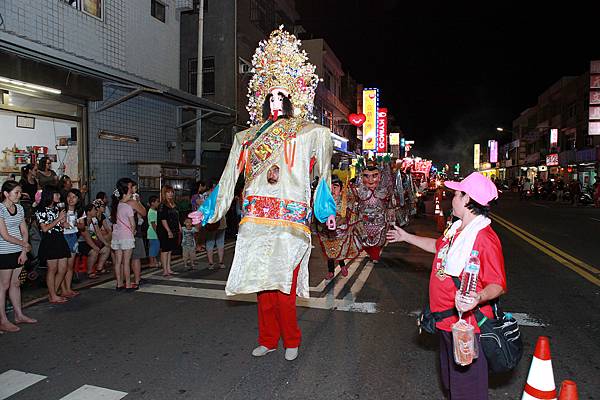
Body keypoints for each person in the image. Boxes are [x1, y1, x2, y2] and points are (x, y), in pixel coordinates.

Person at [189, 27, 336, 362]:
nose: (274, 101)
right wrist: (209, 210)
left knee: (285, 286)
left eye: (281, 96)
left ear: (292, 99)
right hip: (256, 221)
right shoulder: (247, 138)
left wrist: (325, 207)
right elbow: (229, 180)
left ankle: (292, 339)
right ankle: (268, 339)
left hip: (290, 222)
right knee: (263, 286)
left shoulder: (311, 133)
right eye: (269, 95)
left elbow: (323, 175)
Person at [387, 172, 506, 400]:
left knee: (467, 390)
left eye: (456, 194)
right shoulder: (457, 229)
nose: (452, 198)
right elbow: (437, 247)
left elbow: (497, 284)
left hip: (466, 328)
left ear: (467, 200)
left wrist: (478, 297)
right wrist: (406, 236)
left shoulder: (484, 238)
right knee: (452, 383)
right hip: (445, 322)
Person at [0, 180, 37, 332]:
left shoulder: (20, 208)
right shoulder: (0, 209)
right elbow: (4, 235)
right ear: (6, 194)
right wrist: (24, 245)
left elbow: (24, 230)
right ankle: (2, 319)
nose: (19, 195)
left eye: (20, 192)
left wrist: (23, 250)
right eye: (16, 192)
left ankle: (19, 314)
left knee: (16, 283)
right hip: (4, 251)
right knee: (4, 286)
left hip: (18, 250)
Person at [316, 175, 361, 279]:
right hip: (326, 232)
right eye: (330, 187)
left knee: (340, 250)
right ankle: (331, 271)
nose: (332, 189)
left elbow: (353, 211)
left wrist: (351, 226)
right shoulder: (323, 202)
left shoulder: (345, 201)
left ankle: (342, 265)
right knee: (329, 252)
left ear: (341, 190)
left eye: (335, 187)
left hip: (341, 231)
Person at [353, 160, 396, 263]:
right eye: (367, 176)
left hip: (379, 221)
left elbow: (390, 204)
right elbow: (353, 203)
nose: (370, 179)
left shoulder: (384, 190)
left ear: (380, 177)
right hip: (363, 221)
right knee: (363, 241)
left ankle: (375, 256)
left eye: (374, 176)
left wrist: (391, 218)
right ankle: (370, 253)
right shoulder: (357, 190)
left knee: (378, 241)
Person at [35, 185, 71, 303]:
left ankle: (53, 293)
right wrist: (58, 219)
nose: (59, 196)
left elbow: (58, 224)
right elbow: (44, 228)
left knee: (63, 268)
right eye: (56, 194)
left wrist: (63, 223)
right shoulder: (41, 209)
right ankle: (53, 294)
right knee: (52, 269)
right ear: (49, 195)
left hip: (59, 238)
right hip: (49, 240)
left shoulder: (57, 208)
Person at [110, 178, 137, 291]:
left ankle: (119, 284)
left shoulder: (116, 206)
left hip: (116, 237)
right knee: (126, 262)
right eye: (130, 188)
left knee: (118, 262)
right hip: (127, 236)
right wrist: (133, 231)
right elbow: (133, 224)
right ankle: (128, 284)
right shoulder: (127, 206)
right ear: (126, 190)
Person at [60, 189, 84, 298]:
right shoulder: (61, 210)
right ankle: (63, 289)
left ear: (78, 199)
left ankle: (68, 289)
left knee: (70, 266)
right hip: (62, 237)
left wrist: (76, 223)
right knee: (62, 266)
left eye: (74, 197)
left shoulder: (79, 211)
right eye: (69, 196)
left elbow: (82, 226)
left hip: (73, 237)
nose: (71, 199)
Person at [78, 203, 111, 278]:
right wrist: (94, 246)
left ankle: (99, 267)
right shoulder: (83, 220)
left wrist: (105, 243)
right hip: (81, 242)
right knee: (94, 251)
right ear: (88, 212)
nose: (96, 211)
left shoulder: (94, 219)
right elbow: (85, 235)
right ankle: (89, 272)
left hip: (91, 240)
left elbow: (97, 232)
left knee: (106, 248)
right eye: (94, 210)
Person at [157, 185, 180, 277]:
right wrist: (168, 231)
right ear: (164, 193)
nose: (170, 194)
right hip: (164, 230)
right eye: (168, 192)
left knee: (170, 250)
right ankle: (165, 270)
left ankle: (169, 268)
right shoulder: (162, 205)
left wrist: (179, 227)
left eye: (171, 192)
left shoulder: (174, 204)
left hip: (174, 229)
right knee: (165, 250)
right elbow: (163, 219)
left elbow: (176, 217)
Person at [129, 183, 147, 287]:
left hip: (125, 231)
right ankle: (136, 279)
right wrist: (138, 202)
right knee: (136, 257)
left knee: (126, 258)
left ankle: (127, 280)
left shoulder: (120, 202)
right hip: (134, 230)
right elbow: (143, 212)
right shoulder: (133, 200)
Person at [146, 196, 160, 268]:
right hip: (153, 233)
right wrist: (158, 232)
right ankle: (151, 262)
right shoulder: (151, 212)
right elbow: (153, 224)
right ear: (152, 203)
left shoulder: (154, 211)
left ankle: (154, 261)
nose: (158, 203)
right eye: (157, 201)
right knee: (153, 248)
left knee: (156, 248)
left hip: (154, 233)